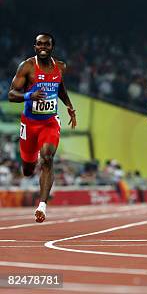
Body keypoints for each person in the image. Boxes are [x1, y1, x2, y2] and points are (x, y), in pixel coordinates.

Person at [8, 33, 77, 222]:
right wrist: (29, 96)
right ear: (35, 47)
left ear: (52, 46)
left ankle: (42, 205)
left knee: (47, 158)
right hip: (30, 124)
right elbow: (11, 95)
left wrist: (69, 106)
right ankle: (32, 158)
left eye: (46, 44)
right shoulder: (27, 66)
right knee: (28, 169)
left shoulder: (60, 67)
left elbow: (60, 88)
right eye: (39, 44)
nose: (43, 47)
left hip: (49, 122)